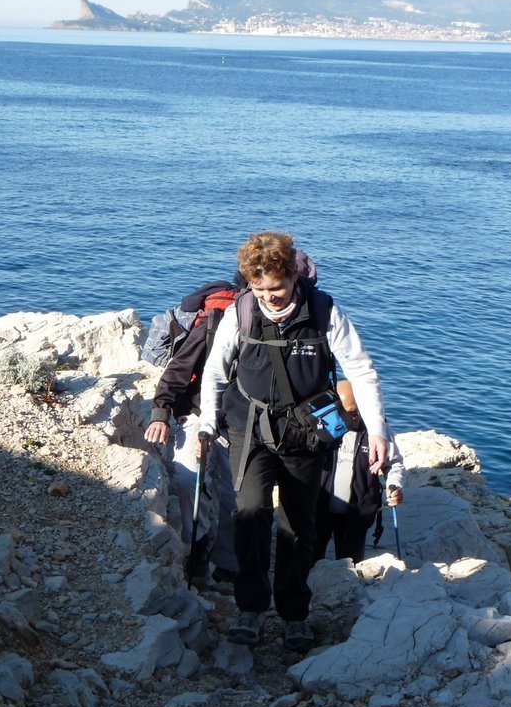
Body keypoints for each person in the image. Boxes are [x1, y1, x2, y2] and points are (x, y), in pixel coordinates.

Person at [198, 231, 391, 653]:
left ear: (294, 279)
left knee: (298, 525)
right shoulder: (242, 312)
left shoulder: (323, 312)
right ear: (250, 283)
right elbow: (216, 372)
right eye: (261, 289)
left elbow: (360, 370)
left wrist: (377, 431)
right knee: (249, 513)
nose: (271, 298)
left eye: (278, 288)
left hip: (306, 432)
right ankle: (250, 607)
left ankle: (294, 613)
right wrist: (206, 424)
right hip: (248, 427)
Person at [144, 289, 240, 586]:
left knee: (235, 493)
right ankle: (194, 547)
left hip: (239, 421)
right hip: (198, 412)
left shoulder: (272, 332)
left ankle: (228, 563)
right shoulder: (212, 325)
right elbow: (176, 371)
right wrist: (161, 413)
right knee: (187, 480)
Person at [315, 380, 404, 563]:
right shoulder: (320, 426)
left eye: (357, 413)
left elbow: (393, 463)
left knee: (352, 567)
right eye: (348, 413)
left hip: (356, 514)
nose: (353, 419)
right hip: (318, 510)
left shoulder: (378, 430)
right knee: (309, 562)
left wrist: (395, 485)